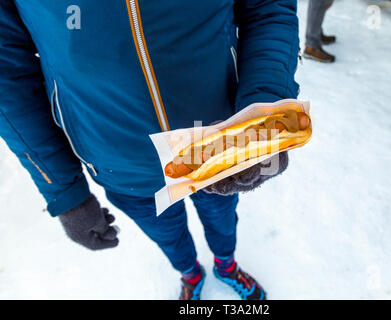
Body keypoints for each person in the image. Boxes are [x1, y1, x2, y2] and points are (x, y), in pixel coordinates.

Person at [0, 0, 299, 300]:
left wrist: (263, 116)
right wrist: (64, 193)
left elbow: (268, 8)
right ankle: (190, 273)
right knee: (168, 236)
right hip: (121, 163)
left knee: (222, 219)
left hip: (217, 147)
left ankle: (226, 265)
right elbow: (6, 71)